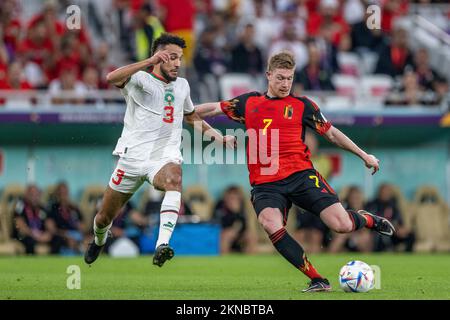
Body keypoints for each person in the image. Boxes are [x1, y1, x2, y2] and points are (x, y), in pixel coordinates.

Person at [195, 51, 395, 292]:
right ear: (268, 75)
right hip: (265, 183)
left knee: (341, 225)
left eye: (289, 78)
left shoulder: (303, 105)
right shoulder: (249, 103)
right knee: (269, 223)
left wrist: (364, 155)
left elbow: (331, 133)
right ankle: (317, 279)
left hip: (301, 175)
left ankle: (367, 219)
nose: (285, 84)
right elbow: (209, 109)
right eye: (280, 78)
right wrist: (185, 111)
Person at [84, 33, 235, 267]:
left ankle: (161, 245)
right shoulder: (140, 80)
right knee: (104, 217)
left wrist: (218, 137)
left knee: (175, 179)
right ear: (159, 57)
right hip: (132, 159)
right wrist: (148, 61)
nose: (177, 63)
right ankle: (98, 239)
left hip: (164, 158)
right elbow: (111, 77)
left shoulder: (182, 86)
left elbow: (191, 116)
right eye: (172, 57)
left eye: (180, 58)